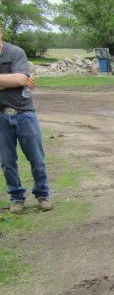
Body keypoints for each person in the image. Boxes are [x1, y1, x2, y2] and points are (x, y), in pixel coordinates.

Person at [0, 26, 52, 214]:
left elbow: (22, 78)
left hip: (24, 112)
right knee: (7, 161)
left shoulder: (15, 52)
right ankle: (16, 198)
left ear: (0, 32)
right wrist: (13, 80)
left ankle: (43, 195)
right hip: (0, 116)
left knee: (36, 157)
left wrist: (19, 79)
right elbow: (19, 79)